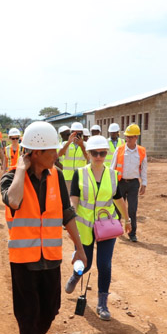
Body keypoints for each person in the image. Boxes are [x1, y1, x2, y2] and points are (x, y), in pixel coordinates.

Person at [1, 121, 87, 334]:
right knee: (27, 313)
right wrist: (21, 170)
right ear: (36, 153)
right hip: (23, 259)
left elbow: (66, 213)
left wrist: (79, 246)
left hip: (50, 256)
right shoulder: (10, 177)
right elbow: (14, 201)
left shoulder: (56, 176)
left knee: (51, 309)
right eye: (51, 151)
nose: (56, 155)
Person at [65, 135, 130, 320]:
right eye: (95, 153)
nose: (98, 156)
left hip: (106, 226)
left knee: (104, 265)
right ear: (88, 153)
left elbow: (118, 199)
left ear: (106, 153)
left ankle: (102, 304)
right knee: (85, 264)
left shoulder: (112, 175)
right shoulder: (80, 173)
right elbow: (74, 200)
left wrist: (127, 219)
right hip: (84, 226)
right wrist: (70, 221)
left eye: (102, 153)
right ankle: (76, 275)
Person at [110, 123, 147, 242]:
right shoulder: (119, 149)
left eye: (130, 137)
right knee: (118, 208)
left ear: (136, 137)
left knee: (132, 209)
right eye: (127, 136)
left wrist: (144, 183)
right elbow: (112, 167)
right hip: (120, 182)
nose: (128, 139)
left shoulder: (141, 151)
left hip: (133, 184)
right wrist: (111, 182)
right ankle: (116, 229)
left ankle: (132, 233)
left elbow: (144, 168)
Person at [57, 122, 88, 192]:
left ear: (82, 133)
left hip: (81, 176)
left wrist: (81, 146)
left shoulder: (86, 145)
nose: (77, 135)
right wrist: (69, 142)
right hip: (68, 177)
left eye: (79, 133)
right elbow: (59, 154)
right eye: (75, 133)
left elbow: (88, 158)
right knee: (68, 196)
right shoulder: (65, 144)